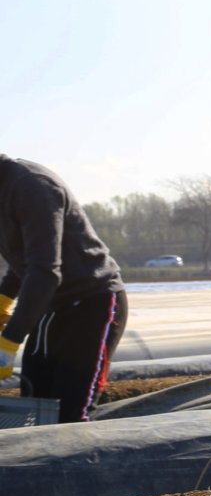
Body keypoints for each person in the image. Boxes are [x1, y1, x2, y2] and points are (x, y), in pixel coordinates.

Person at [0, 156, 128, 423]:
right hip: (49, 307)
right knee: (37, 409)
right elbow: (22, 259)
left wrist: (9, 341)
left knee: (71, 414)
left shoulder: (32, 187)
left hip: (92, 302)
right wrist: (2, 300)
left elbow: (45, 272)